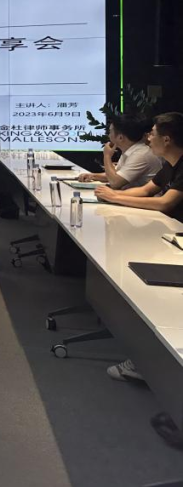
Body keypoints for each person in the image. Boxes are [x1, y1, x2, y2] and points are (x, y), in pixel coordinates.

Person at [96, 112, 183, 384]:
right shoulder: (171, 165)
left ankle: (151, 362)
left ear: (166, 139)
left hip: (176, 238)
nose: (148, 138)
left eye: (153, 133)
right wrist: (114, 196)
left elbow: (164, 203)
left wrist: (115, 195)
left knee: (157, 293)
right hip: (171, 235)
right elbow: (146, 191)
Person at [77, 114, 161, 189]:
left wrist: (107, 156)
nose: (108, 135)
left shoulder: (141, 154)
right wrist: (93, 176)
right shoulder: (131, 150)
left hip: (141, 200)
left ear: (120, 137)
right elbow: (116, 174)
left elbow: (115, 182)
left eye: (110, 132)